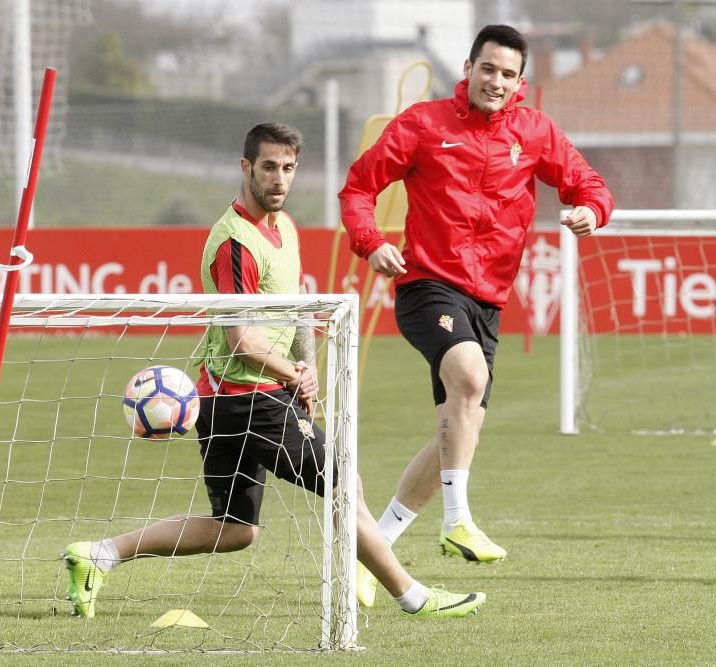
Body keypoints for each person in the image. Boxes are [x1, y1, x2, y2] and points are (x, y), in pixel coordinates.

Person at [62, 123, 485, 620]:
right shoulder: (234, 242)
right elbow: (243, 339)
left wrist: (307, 368)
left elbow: (299, 306)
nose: (279, 179)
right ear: (246, 168)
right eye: (268, 167)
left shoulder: (284, 227)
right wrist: (292, 374)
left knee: (234, 529)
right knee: (345, 482)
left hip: (238, 396)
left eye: (288, 168)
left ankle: (99, 555)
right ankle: (413, 597)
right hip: (245, 396)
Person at [338, 25, 614, 604]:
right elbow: (359, 188)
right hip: (427, 286)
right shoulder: (422, 123)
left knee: (457, 433)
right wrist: (370, 241)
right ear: (468, 67)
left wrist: (591, 208)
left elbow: (586, 181)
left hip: (488, 300)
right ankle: (457, 521)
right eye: (487, 69)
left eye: (508, 74)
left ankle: (369, 553)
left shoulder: (533, 130)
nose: (496, 81)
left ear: (521, 82)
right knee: (469, 378)